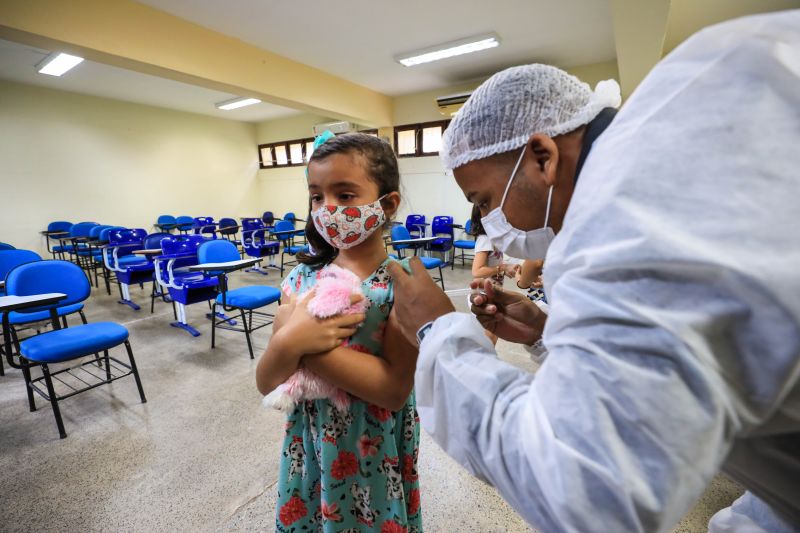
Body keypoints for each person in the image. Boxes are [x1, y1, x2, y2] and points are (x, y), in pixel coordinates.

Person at [386, 11, 800, 533]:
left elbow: (583, 491)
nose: (490, 221)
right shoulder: (662, 140)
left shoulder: (624, 216)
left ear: (542, 156)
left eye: (485, 200)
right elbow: (665, 378)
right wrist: (546, 332)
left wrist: (438, 332)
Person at [256, 133, 422, 532]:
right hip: (310, 445)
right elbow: (267, 382)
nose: (327, 208)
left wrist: (300, 342)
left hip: (373, 449)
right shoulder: (300, 279)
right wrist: (285, 342)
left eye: (345, 195)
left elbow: (393, 390)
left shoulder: (402, 284)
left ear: (387, 204)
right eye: (317, 197)